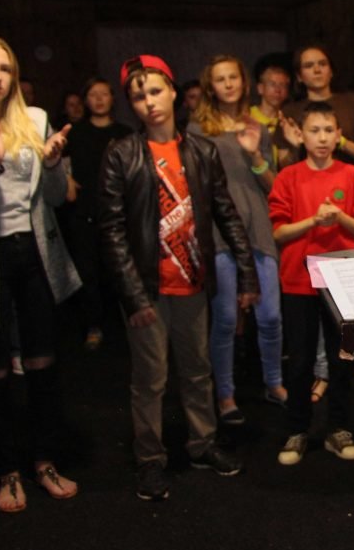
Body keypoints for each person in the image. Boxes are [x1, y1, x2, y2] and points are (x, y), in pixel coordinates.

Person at [99, 54, 258, 502]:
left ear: (172, 91)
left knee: (197, 371)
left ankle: (202, 443)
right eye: (138, 96)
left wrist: (247, 274)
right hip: (148, 288)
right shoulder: (121, 154)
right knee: (151, 378)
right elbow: (111, 231)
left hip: (192, 283)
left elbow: (226, 214)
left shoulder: (202, 151)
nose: (149, 102)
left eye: (155, 91)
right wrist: (133, 296)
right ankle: (150, 458)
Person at [0, 34, 81, 512]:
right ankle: (6, 471)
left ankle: (44, 461)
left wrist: (54, 164)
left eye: (5, 68)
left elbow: (56, 196)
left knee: (44, 367)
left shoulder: (36, 119)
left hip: (35, 255)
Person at [269, 101, 354, 466]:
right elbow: (279, 232)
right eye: (314, 130)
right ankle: (297, 429)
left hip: (341, 280)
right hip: (298, 279)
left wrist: (339, 217)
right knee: (299, 360)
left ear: (339, 134)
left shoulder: (351, 174)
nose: (322, 138)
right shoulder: (288, 176)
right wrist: (313, 221)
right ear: (300, 135)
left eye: (329, 130)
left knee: (341, 357)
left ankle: (338, 429)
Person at [189, 55, 285, 425]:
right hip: (220, 230)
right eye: (220, 79)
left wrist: (255, 152)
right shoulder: (198, 128)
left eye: (234, 77)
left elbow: (273, 186)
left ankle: (273, 383)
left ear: (243, 83)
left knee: (271, 316)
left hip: (258, 227)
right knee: (227, 318)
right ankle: (226, 394)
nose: (228, 84)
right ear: (210, 86)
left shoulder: (256, 125)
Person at [61, 76, 132, 350]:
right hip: (84, 213)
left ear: (113, 99)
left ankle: (129, 324)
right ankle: (94, 326)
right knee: (88, 273)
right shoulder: (75, 132)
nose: (100, 99)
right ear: (86, 100)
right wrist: (66, 179)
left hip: (119, 214)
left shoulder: (126, 133)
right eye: (93, 94)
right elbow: (59, 162)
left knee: (120, 272)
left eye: (104, 94)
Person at [279, 44, 354, 177]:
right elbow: (283, 167)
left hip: (350, 184)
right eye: (309, 66)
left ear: (331, 71)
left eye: (322, 64)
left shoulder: (353, 103)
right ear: (299, 77)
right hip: (306, 185)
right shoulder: (289, 111)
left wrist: (341, 142)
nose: (317, 70)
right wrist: (294, 147)